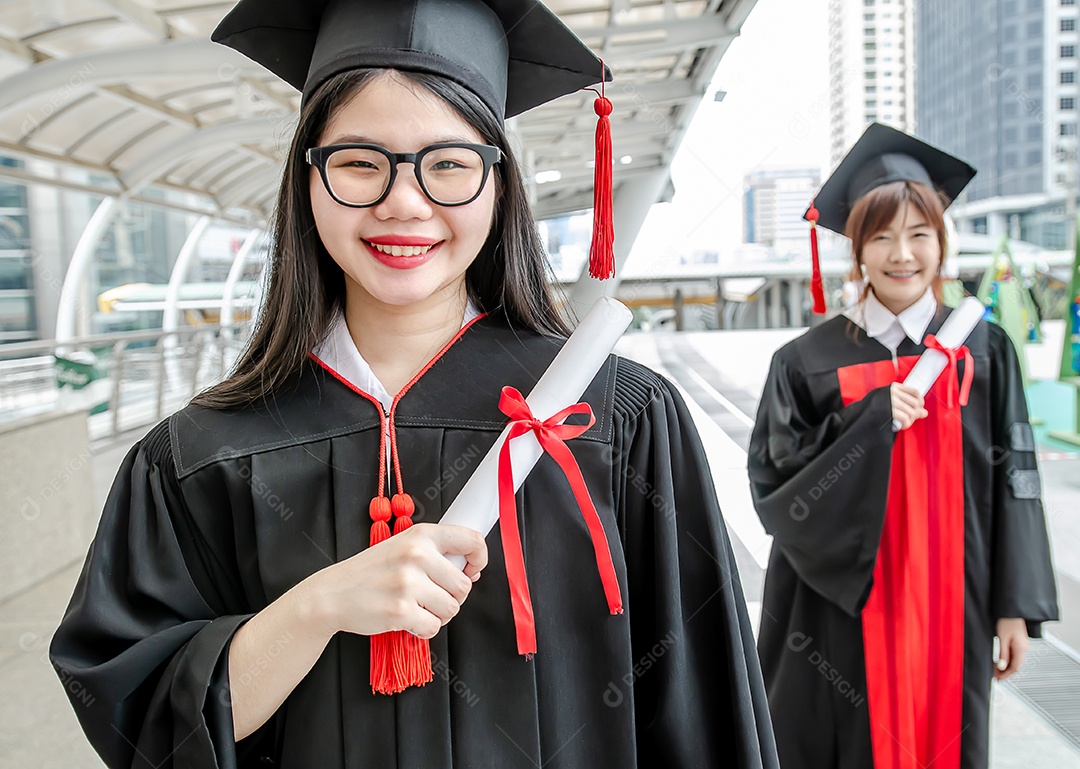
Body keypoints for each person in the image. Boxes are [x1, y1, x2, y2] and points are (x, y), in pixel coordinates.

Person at [49, 1, 779, 767]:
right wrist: (316, 608)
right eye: (361, 162)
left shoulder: (613, 418)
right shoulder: (203, 453)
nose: (404, 202)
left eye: (450, 164)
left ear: (499, 185)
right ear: (309, 178)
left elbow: (703, 709)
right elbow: (146, 723)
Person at [747, 122, 1059, 769]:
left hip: (956, 597)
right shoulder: (805, 360)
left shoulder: (983, 348)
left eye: (919, 234)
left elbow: (1016, 479)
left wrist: (1013, 606)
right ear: (857, 248)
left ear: (940, 243)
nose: (902, 253)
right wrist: (865, 421)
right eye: (881, 236)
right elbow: (775, 484)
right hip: (842, 604)